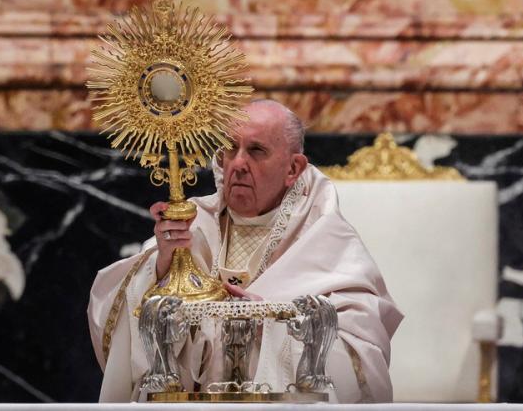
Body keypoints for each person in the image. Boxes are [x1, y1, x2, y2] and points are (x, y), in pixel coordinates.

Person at [88, 100, 402, 403]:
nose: (237, 163)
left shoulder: (325, 234)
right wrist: (163, 267)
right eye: (229, 148)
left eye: (256, 151)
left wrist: (273, 320)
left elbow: (359, 345)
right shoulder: (192, 229)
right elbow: (119, 317)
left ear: (293, 168)